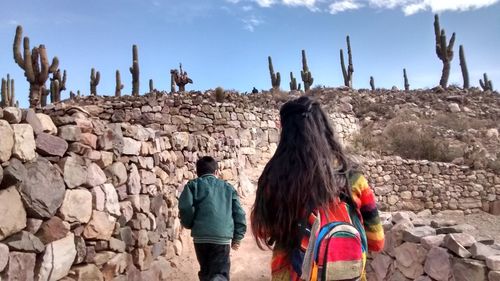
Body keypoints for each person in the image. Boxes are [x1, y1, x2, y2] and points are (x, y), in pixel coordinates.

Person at [251, 96, 384, 281]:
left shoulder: (274, 178)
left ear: (285, 131)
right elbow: (376, 241)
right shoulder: (353, 179)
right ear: (324, 128)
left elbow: (262, 231)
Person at [179, 156, 247, 281]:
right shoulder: (228, 188)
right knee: (220, 274)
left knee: (205, 272)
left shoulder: (192, 186)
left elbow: (185, 208)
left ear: (198, 173)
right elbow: (239, 213)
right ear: (216, 172)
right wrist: (237, 237)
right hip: (221, 239)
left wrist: (189, 224)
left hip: (200, 239)